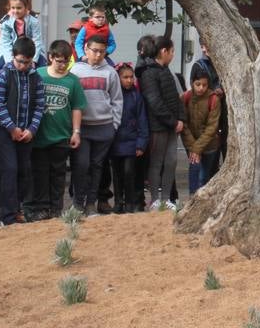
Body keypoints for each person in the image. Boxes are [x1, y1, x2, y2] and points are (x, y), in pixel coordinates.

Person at [0, 37, 43, 226]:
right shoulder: (4, 73)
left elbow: (39, 105)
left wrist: (32, 129)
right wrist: (11, 127)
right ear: (13, 57)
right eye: (20, 61)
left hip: (26, 133)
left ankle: (17, 207)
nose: (23, 66)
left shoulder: (35, 76)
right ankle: (8, 214)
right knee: (9, 169)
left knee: (24, 171)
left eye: (27, 62)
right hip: (6, 132)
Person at [30, 39, 84, 220]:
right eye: (58, 60)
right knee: (40, 173)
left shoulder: (73, 81)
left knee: (58, 174)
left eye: (66, 61)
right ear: (50, 58)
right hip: (39, 135)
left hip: (61, 135)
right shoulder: (38, 74)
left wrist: (76, 132)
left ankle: (56, 207)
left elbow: (77, 107)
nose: (62, 65)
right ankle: (41, 207)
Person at [70, 35, 122, 214]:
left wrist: (114, 125)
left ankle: (91, 203)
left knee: (97, 166)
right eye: (95, 50)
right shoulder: (75, 70)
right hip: (82, 128)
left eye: (102, 51)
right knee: (81, 165)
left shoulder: (110, 72)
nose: (98, 54)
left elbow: (117, 100)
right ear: (86, 49)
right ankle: (77, 203)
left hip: (104, 128)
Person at [136, 35, 184, 211]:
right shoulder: (148, 73)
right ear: (163, 51)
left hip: (172, 126)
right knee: (156, 162)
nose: (172, 55)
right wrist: (172, 121)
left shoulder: (166, 71)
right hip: (158, 126)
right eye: (171, 52)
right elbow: (154, 102)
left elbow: (176, 98)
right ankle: (155, 199)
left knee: (171, 161)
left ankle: (166, 199)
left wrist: (181, 119)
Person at [110, 63, 148, 213]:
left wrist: (141, 143)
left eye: (131, 77)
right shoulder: (113, 95)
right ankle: (118, 202)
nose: (129, 80)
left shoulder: (137, 96)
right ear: (118, 78)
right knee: (117, 174)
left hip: (131, 143)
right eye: (125, 77)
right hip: (115, 142)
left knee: (129, 173)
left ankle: (130, 203)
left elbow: (142, 120)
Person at [181, 63, 222, 198]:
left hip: (210, 145)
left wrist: (197, 148)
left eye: (204, 85)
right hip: (191, 144)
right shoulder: (185, 97)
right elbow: (184, 125)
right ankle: (192, 200)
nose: (201, 88)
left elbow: (212, 127)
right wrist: (194, 148)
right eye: (198, 84)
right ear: (192, 82)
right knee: (194, 172)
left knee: (204, 177)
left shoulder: (213, 99)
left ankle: (203, 202)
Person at [0, 0, 43, 65]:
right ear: (9, 7)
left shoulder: (33, 21)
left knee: (42, 66)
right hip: (11, 51)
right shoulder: (6, 22)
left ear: (26, 7)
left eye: (19, 8)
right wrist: (10, 61)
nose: (15, 11)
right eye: (13, 8)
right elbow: (5, 42)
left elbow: (37, 41)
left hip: (30, 51)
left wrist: (33, 60)